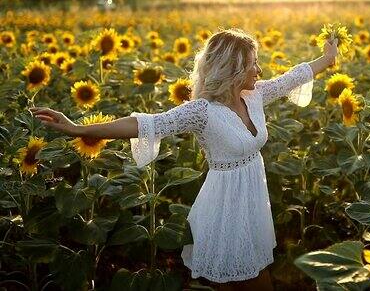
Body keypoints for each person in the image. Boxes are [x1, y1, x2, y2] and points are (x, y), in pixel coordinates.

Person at [30, 28, 338, 291]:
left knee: (252, 277)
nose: (259, 71)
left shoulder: (254, 95)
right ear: (232, 69)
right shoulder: (201, 111)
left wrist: (327, 58)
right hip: (224, 206)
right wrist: (76, 128)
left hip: (253, 201)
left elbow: (293, 77)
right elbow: (145, 123)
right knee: (248, 281)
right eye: (252, 65)